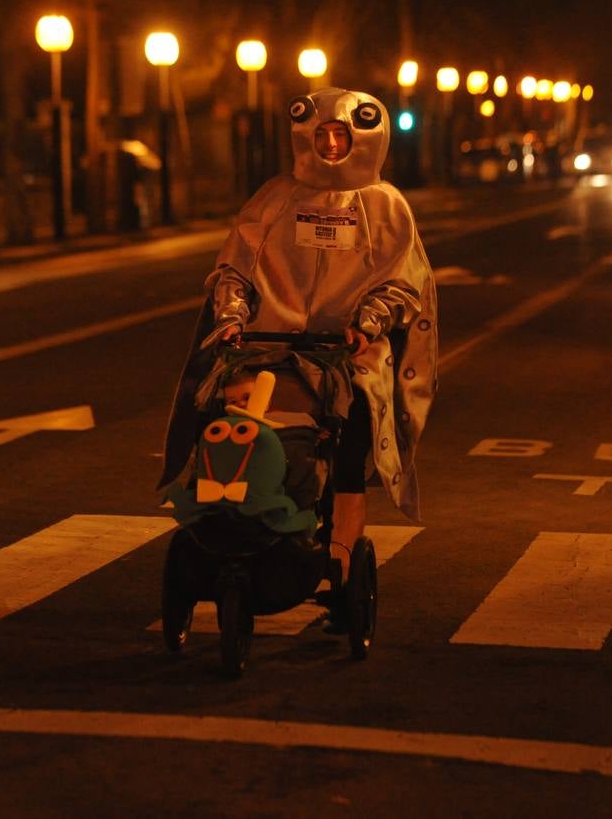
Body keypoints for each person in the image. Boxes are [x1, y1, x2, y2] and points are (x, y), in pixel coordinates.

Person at [159, 87, 438, 590]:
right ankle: (233, 522)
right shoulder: (274, 198)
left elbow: (403, 282)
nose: (332, 145)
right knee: (225, 424)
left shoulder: (386, 206)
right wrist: (231, 317)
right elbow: (233, 268)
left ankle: (341, 557)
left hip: (347, 359)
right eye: (323, 134)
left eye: (342, 135)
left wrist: (367, 323)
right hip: (265, 352)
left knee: (349, 446)